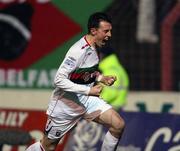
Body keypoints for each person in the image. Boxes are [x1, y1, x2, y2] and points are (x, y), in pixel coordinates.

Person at [26, 12, 125, 151]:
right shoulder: (78, 51)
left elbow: (85, 72)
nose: (109, 35)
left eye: (110, 31)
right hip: (66, 106)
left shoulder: (96, 46)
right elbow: (59, 80)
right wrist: (89, 90)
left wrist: (101, 78)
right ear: (93, 30)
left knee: (118, 124)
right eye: (106, 31)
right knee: (47, 146)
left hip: (87, 100)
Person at [98, 45, 129, 110]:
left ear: (103, 55)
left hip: (109, 107)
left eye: (99, 54)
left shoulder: (110, 71)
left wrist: (96, 102)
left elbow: (111, 93)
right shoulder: (118, 68)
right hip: (116, 107)